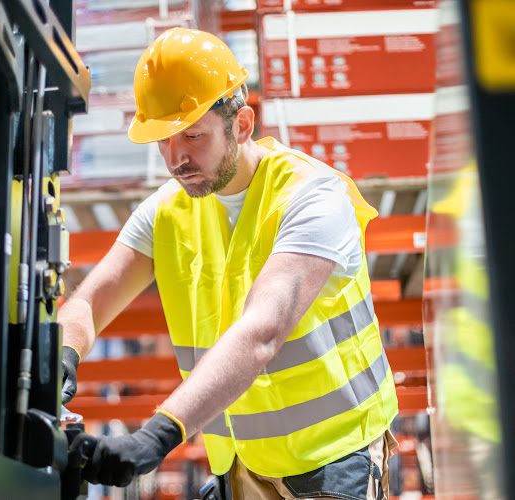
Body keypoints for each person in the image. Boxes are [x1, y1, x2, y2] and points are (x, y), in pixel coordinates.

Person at [59, 27, 398, 499]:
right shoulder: (167, 210)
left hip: (333, 459)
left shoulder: (312, 196)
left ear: (241, 125)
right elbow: (90, 304)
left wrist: (156, 436)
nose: (175, 159)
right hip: (240, 463)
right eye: (163, 142)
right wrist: (60, 355)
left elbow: (263, 332)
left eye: (192, 136)